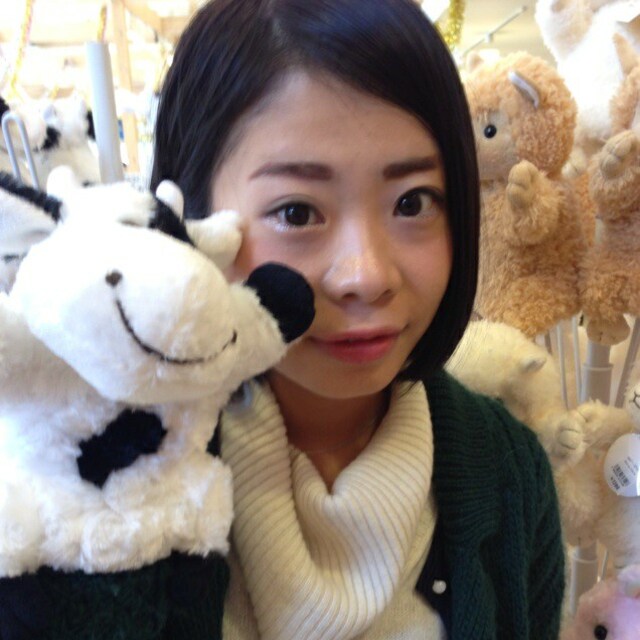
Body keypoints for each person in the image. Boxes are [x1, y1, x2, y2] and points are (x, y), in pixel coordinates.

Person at [151, 0, 565, 638]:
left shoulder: (509, 473)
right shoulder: (99, 477)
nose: (367, 275)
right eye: (296, 212)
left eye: (413, 202)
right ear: (188, 215)